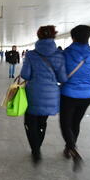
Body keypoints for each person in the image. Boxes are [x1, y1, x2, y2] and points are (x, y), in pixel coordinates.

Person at [20, 26, 67, 164]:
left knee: (30, 122)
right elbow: (62, 78)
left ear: (38, 36)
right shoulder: (59, 55)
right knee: (42, 122)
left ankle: (35, 150)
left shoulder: (31, 55)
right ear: (54, 36)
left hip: (33, 92)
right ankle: (37, 147)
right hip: (51, 94)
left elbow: (25, 74)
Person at [59, 25, 90, 171]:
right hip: (86, 95)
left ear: (73, 37)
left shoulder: (66, 53)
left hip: (68, 94)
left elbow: (61, 75)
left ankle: (72, 148)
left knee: (65, 123)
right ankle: (68, 148)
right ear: (88, 37)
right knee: (76, 123)